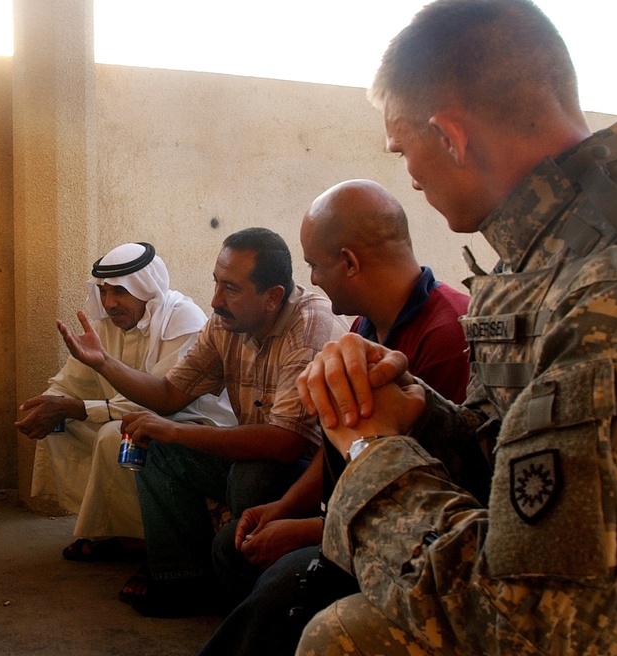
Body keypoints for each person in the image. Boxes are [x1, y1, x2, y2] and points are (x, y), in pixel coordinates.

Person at [295, 1, 617, 653]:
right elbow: (514, 464)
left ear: (451, 136)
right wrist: (421, 413)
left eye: (404, 147)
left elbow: (527, 626)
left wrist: (369, 450)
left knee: (341, 638)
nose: (409, 176)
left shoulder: (596, 295)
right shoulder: (541, 255)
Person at [201, 178, 471, 655]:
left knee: (288, 581)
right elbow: (339, 453)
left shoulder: (446, 335)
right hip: (349, 512)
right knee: (232, 547)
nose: (314, 281)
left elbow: (432, 501)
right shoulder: (367, 327)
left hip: (417, 539)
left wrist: (305, 531)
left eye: (314, 265)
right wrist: (281, 510)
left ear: (348, 262)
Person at [58, 227, 348, 617]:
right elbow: (169, 394)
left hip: (309, 476)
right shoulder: (225, 323)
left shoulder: (310, 327)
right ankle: (182, 581)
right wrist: (104, 364)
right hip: (256, 456)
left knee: (252, 475)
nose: (215, 300)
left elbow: (285, 443)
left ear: (273, 297)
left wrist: (177, 430)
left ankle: (252, 589)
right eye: (216, 283)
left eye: (230, 288)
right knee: (154, 445)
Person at [18, 242, 235, 561]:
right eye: (104, 292)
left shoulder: (182, 319)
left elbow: (164, 398)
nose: (109, 303)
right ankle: (108, 528)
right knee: (58, 424)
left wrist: (80, 408)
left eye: (119, 292)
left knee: (117, 436)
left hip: (192, 425)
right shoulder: (104, 325)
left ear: (145, 288)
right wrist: (47, 406)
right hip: (127, 417)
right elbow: (70, 383)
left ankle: (145, 543)